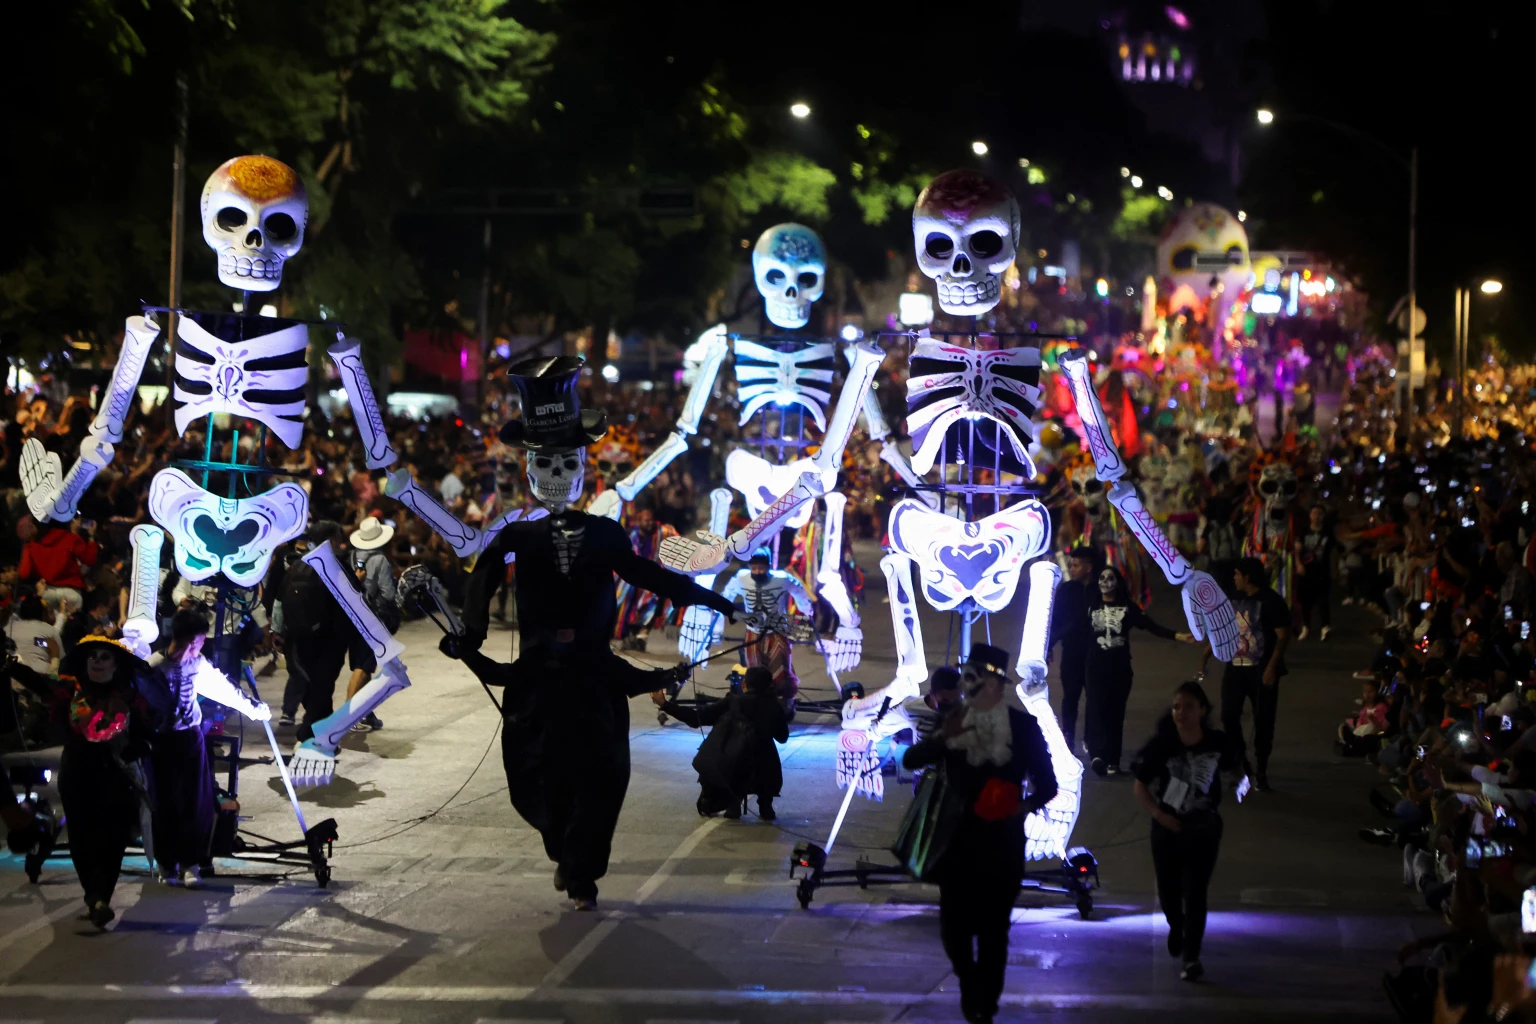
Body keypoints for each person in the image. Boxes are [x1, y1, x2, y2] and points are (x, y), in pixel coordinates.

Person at [900, 644, 1058, 1024]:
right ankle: (969, 982)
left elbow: (1048, 785)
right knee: (953, 930)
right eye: (967, 678)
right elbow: (910, 760)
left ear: (997, 685)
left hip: (1002, 843)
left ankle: (986, 1006)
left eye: (978, 679)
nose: (970, 686)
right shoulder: (953, 720)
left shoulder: (1022, 727)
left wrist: (1020, 807)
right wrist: (942, 737)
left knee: (993, 931)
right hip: (957, 842)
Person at [145, 609, 270, 887]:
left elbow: (223, 688)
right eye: (201, 641)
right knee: (163, 803)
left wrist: (252, 709)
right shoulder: (153, 667)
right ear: (192, 640)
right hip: (161, 742)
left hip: (190, 739)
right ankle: (167, 863)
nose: (201, 646)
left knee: (195, 802)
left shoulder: (197, 663)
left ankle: (191, 863)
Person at [1131, 681, 1245, 982]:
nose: (1181, 713)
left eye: (1188, 707)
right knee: (1169, 891)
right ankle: (1176, 924)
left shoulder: (1216, 742)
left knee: (1196, 892)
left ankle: (1191, 957)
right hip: (1167, 827)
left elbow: (1237, 769)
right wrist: (1158, 814)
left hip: (1203, 828)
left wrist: (1238, 785)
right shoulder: (1163, 744)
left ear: (1202, 710)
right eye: (1176, 707)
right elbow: (1140, 785)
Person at [53, 635, 159, 929]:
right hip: (77, 773)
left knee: (113, 839)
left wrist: (139, 746)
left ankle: (101, 899)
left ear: (116, 665)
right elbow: (43, 692)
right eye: (92, 656)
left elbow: (149, 733)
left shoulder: (130, 697)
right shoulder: (70, 693)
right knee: (81, 838)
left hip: (115, 776)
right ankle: (94, 897)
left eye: (104, 657)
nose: (97, 662)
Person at [1083, 565, 1192, 777]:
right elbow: (1075, 627)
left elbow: (1151, 625)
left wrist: (1178, 636)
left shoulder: (1127, 607)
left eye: (1110, 578)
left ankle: (1113, 761)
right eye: (1102, 578)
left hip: (1120, 668)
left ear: (1118, 583)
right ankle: (1097, 755)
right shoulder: (1091, 604)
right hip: (1095, 667)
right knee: (1096, 709)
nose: (1105, 582)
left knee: (1116, 714)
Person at [651, 665, 789, 820]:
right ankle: (766, 805)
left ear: (744, 684)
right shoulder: (773, 706)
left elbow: (697, 718)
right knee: (766, 751)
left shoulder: (732, 702)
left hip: (734, 765)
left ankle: (733, 804)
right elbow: (782, 737)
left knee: (729, 752)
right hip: (763, 770)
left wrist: (665, 705)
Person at [277, 521, 372, 735]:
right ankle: (309, 735)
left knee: (314, 687)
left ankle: (322, 733)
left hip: (299, 637)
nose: (341, 544)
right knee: (323, 687)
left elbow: (280, 599)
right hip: (330, 638)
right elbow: (353, 597)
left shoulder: (298, 565)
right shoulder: (336, 564)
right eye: (338, 540)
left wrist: (279, 632)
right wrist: (358, 580)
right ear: (330, 540)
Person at [1217, 556, 1292, 792]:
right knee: (1229, 715)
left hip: (1262, 670)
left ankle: (1261, 770)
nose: (1234, 578)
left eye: (1237, 574)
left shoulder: (1272, 601)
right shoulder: (1233, 596)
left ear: (1247, 577)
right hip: (1235, 668)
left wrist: (1271, 667)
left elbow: (1282, 636)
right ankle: (1241, 761)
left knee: (1264, 720)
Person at [721, 549, 813, 711]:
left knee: (781, 671)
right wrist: (722, 610)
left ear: (769, 566)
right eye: (754, 568)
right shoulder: (741, 578)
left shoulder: (782, 579)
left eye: (761, 568)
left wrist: (807, 609)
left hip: (777, 633)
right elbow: (726, 596)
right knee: (754, 673)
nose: (757, 571)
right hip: (753, 633)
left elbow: (799, 592)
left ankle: (784, 705)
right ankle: (756, 705)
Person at [1049, 546, 1101, 755]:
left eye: (1076, 565)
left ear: (1089, 568)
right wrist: (1048, 646)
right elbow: (1055, 619)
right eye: (1071, 564)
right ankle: (1068, 736)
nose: (1071, 569)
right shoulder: (1067, 590)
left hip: (1095, 653)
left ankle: (1090, 738)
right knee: (1070, 696)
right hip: (1071, 652)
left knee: (1094, 698)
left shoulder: (1101, 590)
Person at [349, 516, 398, 732]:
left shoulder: (351, 556)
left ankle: (366, 712)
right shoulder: (380, 560)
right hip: (372, 618)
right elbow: (388, 593)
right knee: (363, 666)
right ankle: (348, 716)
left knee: (363, 665)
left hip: (353, 615)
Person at [18, 520, 99, 614]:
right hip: (71, 593)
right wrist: (91, 536)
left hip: (47, 592)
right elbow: (90, 559)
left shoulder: (30, 547)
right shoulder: (69, 537)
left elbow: (24, 573)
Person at [1295, 504, 1337, 641]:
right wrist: (1298, 564)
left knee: (1323, 600)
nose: (1316, 516)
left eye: (1319, 513)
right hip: (1306, 570)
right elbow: (1297, 550)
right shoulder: (1304, 531)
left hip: (1322, 570)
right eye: (1314, 513)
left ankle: (1325, 627)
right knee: (1305, 601)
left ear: (1323, 516)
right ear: (1310, 515)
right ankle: (1306, 626)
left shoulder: (1328, 532)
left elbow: (1333, 551)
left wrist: (1334, 570)